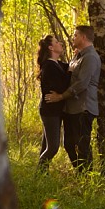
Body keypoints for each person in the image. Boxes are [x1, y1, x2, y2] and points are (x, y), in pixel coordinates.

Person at [45, 25, 100, 170]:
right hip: (71, 108)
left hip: (83, 108)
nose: (72, 38)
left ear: (83, 37)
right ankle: (80, 172)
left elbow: (82, 83)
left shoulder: (91, 57)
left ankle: (87, 177)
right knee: (68, 144)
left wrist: (61, 96)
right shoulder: (79, 56)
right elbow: (69, 71)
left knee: (82, 145)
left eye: (75, 35)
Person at [36, 34, 70, 168]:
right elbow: (61, 87)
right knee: (53, 147)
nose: (60, 43)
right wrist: (70, 73)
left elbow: (67, 67)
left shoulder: (57, 64)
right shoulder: (49, 66)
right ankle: (39, 173)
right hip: (50, 111)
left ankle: (41, 176)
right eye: (56, 42)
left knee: (46, 144)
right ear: (51, 47)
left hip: (54, 110)